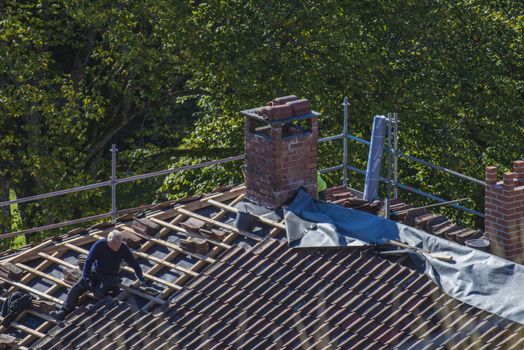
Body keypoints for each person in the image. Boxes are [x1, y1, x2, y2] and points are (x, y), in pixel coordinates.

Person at [51, 230, 147, 321]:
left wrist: (141, 278)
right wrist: (86, 277)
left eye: (118, 245)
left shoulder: (123, 248)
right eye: (114, 246)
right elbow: (89, 261)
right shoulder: (100, 245)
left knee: (98, 293)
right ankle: (64, 311)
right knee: (76, 288)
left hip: (110, 276)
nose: (116, 248)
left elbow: (134, 263)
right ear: (108, 242)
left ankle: (110, 299)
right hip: (95, 272)